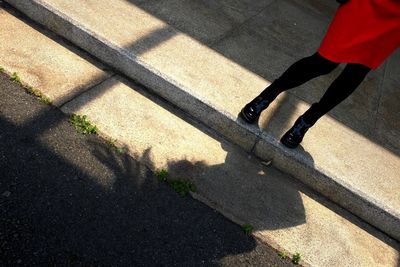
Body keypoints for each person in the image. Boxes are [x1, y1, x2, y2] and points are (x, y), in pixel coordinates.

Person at [241, 0, 400, 148]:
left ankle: (307, 121)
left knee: (356, 71)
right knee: (324, 62)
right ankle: (266, 96)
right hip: (366, 4)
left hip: (395, 18)